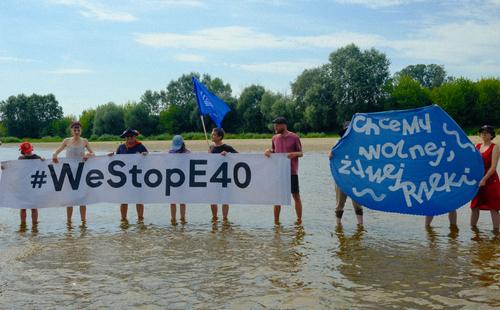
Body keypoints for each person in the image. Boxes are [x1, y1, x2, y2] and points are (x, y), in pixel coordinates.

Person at [52, 121, 94, 224]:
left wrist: (88, 155)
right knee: (69, 198)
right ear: (71, 130)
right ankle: (69, 221)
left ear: (81, 130)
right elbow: (57, 151)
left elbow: (93, 153)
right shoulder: (66, 141)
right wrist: (54, 155)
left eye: (78, 129)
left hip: (81, 172)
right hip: (69, 173)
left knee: (82, 198)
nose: (76, 131)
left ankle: (83, 220)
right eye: (74, 129)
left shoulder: (85, 141)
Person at [264, 117, 303, 225]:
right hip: (278, 172)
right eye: (274, 125)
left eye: (277, 125)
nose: (275, 127)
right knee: (277, 198)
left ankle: (299, 221)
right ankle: (276, 222)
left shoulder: (294, 137)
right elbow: (274, 150)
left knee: (296, 196)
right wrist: (269, 151)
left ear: (284, 125)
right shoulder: (274, 138)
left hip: (291, 172)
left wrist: (293, 154)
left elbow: (301, 153)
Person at [109, 128, 148, 223]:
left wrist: (145, 154)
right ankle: (123, 219)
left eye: (131, 136)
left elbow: (148, 158)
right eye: (127, 137)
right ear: (125, 138)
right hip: (124, 178)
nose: (129, 138)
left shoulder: (140, 146)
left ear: (135, 137)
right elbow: (116, 161)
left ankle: (140, 219)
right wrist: (111, 156)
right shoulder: (121, 147)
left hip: (137, 176)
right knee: (123, 200)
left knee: (139, 199)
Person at [328, 121, 363, 226]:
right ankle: (338, 225)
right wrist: (330, 153)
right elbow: (330, 155)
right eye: (347, 131)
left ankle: (360, 225)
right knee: (340, 203)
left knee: (358, 203)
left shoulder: (359, 144)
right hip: (341, 178)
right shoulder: (338, 143)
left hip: (355, 177)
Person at [470, 125, 500, 234]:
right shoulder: (477, 146)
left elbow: (493, 167)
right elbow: (473, 164)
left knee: (494, 207)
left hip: (491, 180)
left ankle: (496, 232)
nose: (484, 134)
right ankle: (473, 230)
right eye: (482, 132)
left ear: (491, 135)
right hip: (478, 180)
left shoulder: (495, 147)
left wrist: (484, 179)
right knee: (474, 206)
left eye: (487, 132)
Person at [209, 127, 237, 223]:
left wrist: (228, 153)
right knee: (212, 199)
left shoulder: (226, 147)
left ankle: (225, 219)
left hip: (225, 177)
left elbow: (239, 156)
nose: (212, 136)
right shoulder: (211, 148)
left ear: (220, 137)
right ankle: (215, 218)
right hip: (213, 177)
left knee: (225, 198)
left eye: (214, 134)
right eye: (212, 134)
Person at [18, 142, 44, 229]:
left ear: (32, 149)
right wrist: (6, 168)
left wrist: (43, 160)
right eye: (26, 151)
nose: (28, 152)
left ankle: (35, 225)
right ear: (22, 151)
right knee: (23, 207)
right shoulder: (20, 159)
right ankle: (23, 224)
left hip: (33, 186)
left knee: (33, 207)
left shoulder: (37, 157)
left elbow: (43, 165)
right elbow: (15, 170)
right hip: (23, 186)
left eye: (29, 150)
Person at [169, 135, 190, 225]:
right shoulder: (170, 152)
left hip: (183, 179)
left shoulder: (187, 153)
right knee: (172, 201)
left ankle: (182, 218)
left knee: (182, 200)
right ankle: (173, 219)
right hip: (172, 179)